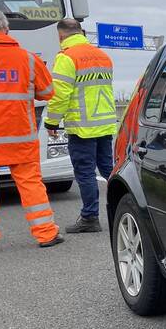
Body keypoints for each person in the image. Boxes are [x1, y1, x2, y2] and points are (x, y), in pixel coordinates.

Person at [0, 10, 64, 247]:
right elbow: (47, 93)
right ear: (6, 30)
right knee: (30, 184)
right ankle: (46, 234)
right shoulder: (29, 59)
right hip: (20, 135)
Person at [45, 18, 116, 233]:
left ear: (61, 36)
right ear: (81, 32)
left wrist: (52, 121)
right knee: (109, 170)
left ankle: (89, 219)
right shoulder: (103, 56)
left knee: (84, 172)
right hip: (105, 123)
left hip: (83, 126)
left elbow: (60, 94)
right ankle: (125, 207)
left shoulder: (67, 57)